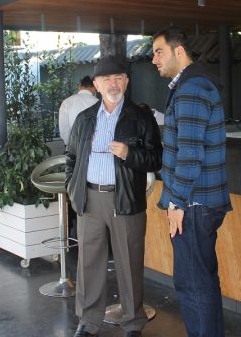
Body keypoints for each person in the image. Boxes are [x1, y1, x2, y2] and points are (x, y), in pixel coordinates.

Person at [65, 56, 162, 337]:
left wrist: (129, 153)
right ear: (96, 85)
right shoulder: (84, 119)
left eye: (119, 78)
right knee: (89, 264)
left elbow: (156, 159)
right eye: (106, 79)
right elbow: (71, 159)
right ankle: (88, 321)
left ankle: (132, 322)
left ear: (127, 82)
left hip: (126, 199)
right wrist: (73, 189)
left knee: (130, 262)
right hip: (90, 200)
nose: (113, 84)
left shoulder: (141, 117)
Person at [152, 26, 232, 337]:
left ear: (179, 51)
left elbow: (189, 153)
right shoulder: (193, 85)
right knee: (202, 282)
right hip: (198, 203)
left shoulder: (191, 89)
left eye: (159, 51)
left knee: (192, 285)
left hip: (193, 205)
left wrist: (176, 202)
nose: (154, 60)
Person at [58, 75, 98, 146]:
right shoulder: (98, 102)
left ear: (79, 86)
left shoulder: (67, 102)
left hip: (73, 144)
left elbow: (64, 127)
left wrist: (68, 144)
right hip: (94, 145)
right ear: (94, 87)